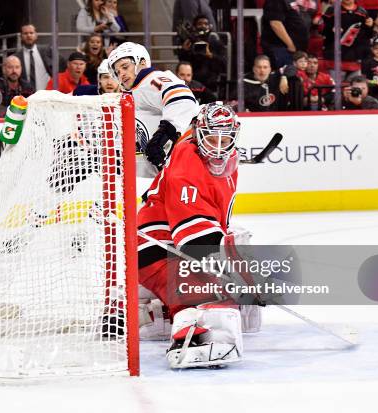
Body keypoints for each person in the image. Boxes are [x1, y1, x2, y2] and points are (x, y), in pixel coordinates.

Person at [137, 102, 245, 369]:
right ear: (198, 133)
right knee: (215, 293)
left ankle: (156, 316)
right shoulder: (186, 169)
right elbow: (195, 243)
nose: (218, 146)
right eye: (211, 137)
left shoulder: (221, 156)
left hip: (171, 245)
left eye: (225, 138)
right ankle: (189, 341)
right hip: (157, 248)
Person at [107, 42, 199, 171]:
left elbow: (183, 99)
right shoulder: (135, 92)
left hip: (193, 152)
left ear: (142, 63)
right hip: (178, 162)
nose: (121, 74)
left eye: (125, 66)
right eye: (117, 72)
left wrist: (163, 137)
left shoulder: (151, 79)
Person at [321, 0, 373, 80]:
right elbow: (322, 30)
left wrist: (370, 26)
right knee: (334, 90)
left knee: (355, 89)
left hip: (355, 60)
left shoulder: (363, 12)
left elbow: (367, 36)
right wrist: (332, 30)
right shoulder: (332, 10)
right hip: (335, 59)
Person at [177, 14, 227, 91]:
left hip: (211, 80)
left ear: (209, 26)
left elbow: (224, 62)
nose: (203, 26)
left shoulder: (214, 41)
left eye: (205, 24)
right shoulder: (190, 40)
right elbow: (183, 62)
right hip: (192, 80)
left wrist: (211, 55)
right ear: (194, 26)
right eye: (199, 23)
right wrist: (185, 50)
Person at [15, 24, 67, 91]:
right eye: (25, 33)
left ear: (36, 35)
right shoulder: (17, 57)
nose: (29, 35)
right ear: (21, 36)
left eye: (31, 33)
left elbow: (63, 65)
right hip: (27, 96)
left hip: (47, 94)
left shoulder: (47, 51)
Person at [261, 0, 310, 69]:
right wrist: (290, 45)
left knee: (293, 76)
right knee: (284, 75)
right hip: (281, 48)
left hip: (294, 50)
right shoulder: (275, 1)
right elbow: (275, 23)